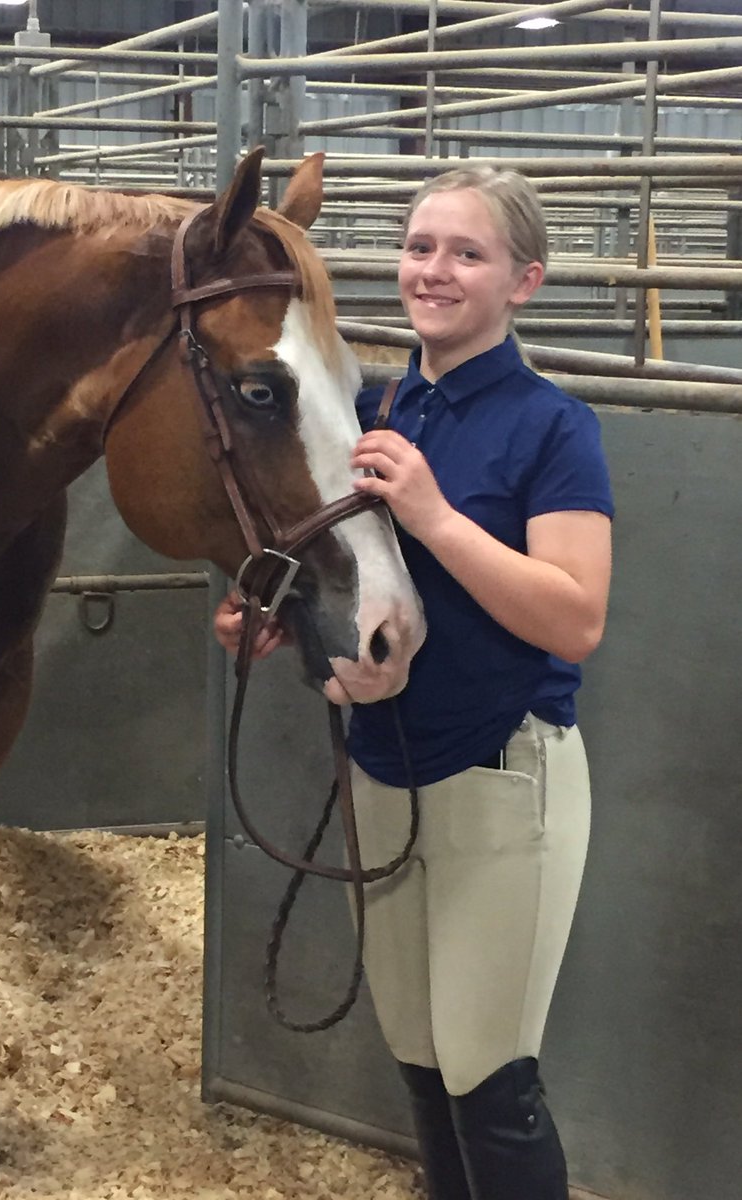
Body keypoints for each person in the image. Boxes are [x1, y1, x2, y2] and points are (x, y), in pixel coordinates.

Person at [214, 164, 613, 1200]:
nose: (433, 271)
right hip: (384, 767)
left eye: (467, 253)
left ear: (522, 282)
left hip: (500, 772)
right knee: (427, 1064)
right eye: (420, 246)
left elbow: (577, 615)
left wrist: (435, 516)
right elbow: (340, 572)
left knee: (492, 1076)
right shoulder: (374, 404)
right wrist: (273, 615)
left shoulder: (552, 426)